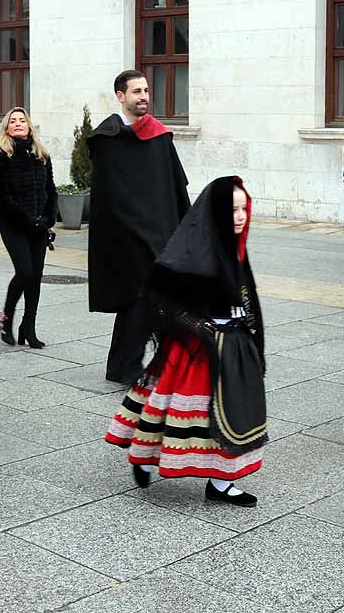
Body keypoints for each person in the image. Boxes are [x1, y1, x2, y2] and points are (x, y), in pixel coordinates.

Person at [106, 176, 268, 507]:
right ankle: (142, 457)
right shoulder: (191, 249)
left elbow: (244, 295)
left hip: (233, 348)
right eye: (232, 209)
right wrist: (200, 329)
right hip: (195, 349)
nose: (239, 217)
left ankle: (222, 482)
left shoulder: (236, 247)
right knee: (173, 410)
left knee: (231, 415)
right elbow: (161, 300)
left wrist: (251, 333)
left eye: (243, 209)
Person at [89, 70, 190, 384]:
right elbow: (106, 197)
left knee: (143, 300)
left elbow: (175, 185)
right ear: (121, 96)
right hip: (123, 236)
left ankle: (124, 366)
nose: (144, 96)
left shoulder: (159, 135)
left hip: (158, 232)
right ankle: (129, 366)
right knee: (137, 299)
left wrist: (186, 228)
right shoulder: (106, 139)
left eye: (146, 90)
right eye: (136, 91)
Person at [0, 107, 57, 348]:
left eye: (22, 120)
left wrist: (47, 219)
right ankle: (6, 318)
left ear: (29, 126)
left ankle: (29, 327)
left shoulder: (41, 153)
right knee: (25, 272)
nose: (18, 124)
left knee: (35, 277)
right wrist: (26, 219)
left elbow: (51, 189)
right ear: (6, 127)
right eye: (13, 121)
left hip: (39, 224)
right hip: (13, 223)